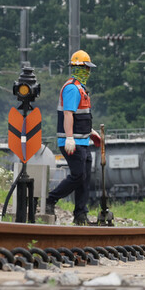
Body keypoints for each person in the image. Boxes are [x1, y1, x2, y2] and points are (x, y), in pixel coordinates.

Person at [46, 49, 101, 226]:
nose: (88, 72)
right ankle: (50, 200)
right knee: (77, 176)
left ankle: (80, 215)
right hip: (72, 142)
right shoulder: (71, 88)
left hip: (82, 141)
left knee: (84, 178)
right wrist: (69, 138)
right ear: (77, 68)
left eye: (88, 68)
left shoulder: (81, 89)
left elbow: (80, 116)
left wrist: (91, 132)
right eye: (85, 68)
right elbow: (68, 114)